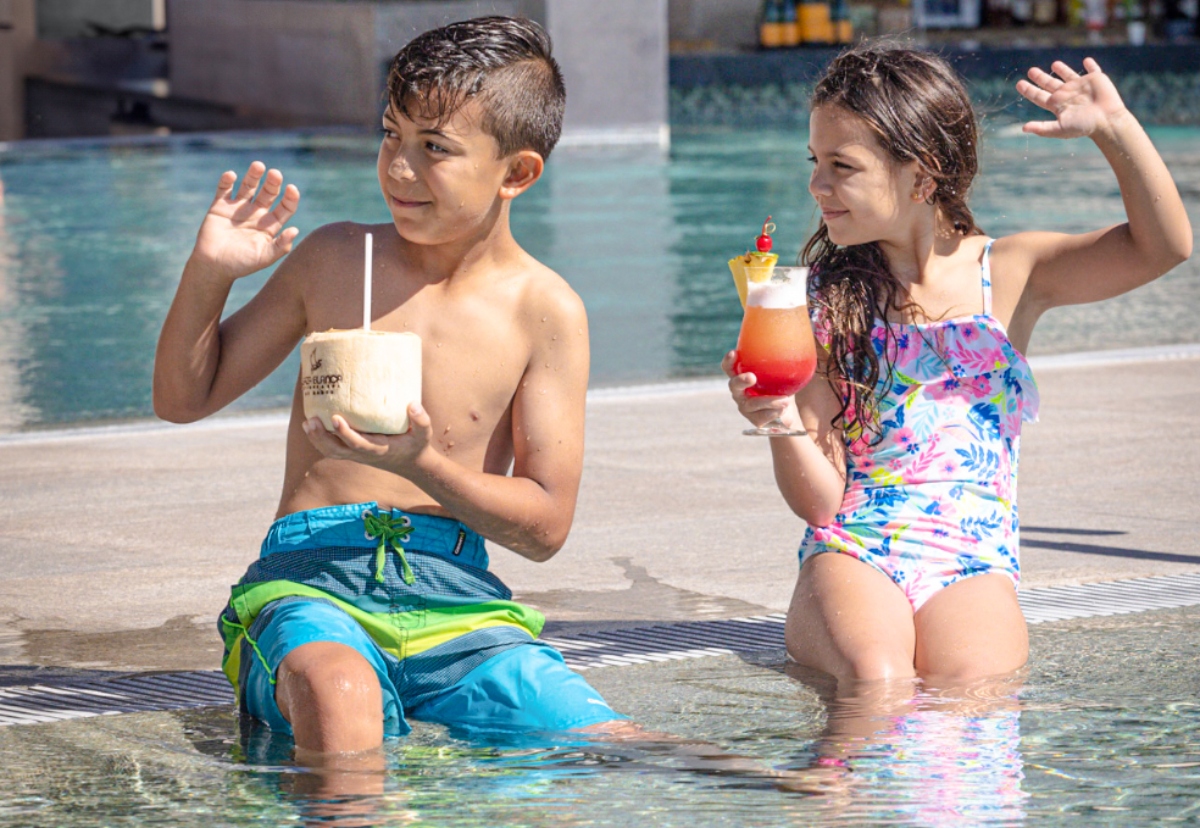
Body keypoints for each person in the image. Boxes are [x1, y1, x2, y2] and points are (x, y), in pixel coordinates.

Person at [153, 16, 627, 755]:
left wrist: (422, 463)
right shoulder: (334, 260)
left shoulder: (545, 310)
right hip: (310, 580)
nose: (399, 168)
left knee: (605, 739)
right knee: (340, 697)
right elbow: (184, 398)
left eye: (434, 149)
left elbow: (545, 528)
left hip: (458, 599)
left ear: (517, 173)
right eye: (390, 134)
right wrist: (208, 274)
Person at [723, 46, 1191, 690]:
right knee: (875, 678)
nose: (816, 185)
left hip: (971, 560)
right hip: (856, 549)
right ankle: (833, 793)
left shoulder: (1013, 274)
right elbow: (821, 501)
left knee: (972, 687)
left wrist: (1115, 131)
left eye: (841, 166)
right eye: (816, 162)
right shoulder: (825, 302)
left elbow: (1162, 247)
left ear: (923, 174)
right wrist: (778, 418)